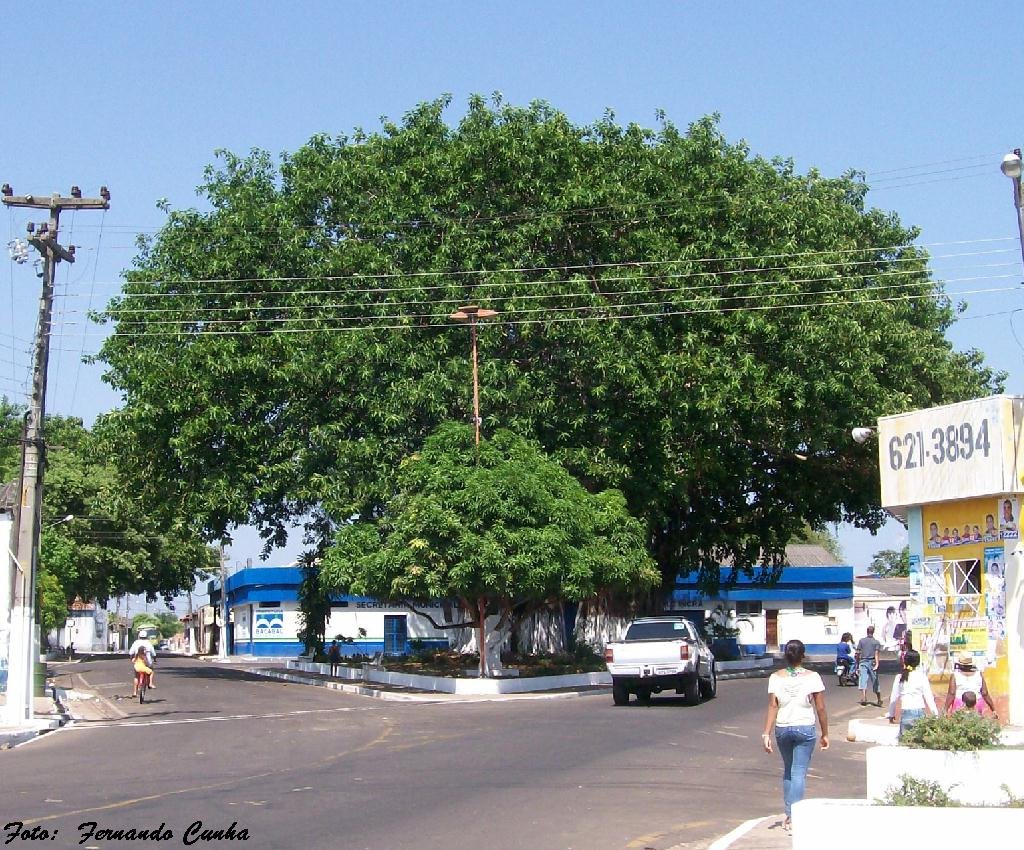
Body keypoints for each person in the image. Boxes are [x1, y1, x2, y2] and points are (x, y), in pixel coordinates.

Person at [762, 639, 829, 831]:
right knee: (799, 772)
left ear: (786, 656)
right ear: (803, 656)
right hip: (805, 728)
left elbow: (773, 705)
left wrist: (766, 733)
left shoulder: (775, 677)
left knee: (788, 770)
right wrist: (825, 733)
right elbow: (821, 708)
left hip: (782, 728)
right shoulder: (813, 677)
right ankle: (794, 818)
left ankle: (789, 814)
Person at [886, 649, 937, 740]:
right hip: (920, 713)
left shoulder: (899, 677)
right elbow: (929, 698)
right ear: (918, 662)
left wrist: (891, 714)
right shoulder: (922, 677)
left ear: (904, 661)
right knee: (919, 743)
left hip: (906, 713)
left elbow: (893, 699)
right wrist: (936, 715)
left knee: (904, 743)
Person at [944, 652, 997, 718]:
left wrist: (945, 709)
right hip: (976, 702)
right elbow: (985, 693)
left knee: (959, 724)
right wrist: (993, 709)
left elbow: (951, 693)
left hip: (960, 703)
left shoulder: (955, 675)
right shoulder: (978, 674)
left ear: (960, 664)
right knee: (976, 723)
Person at [855, 625, 882, 707]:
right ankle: (879, 699)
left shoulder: (861, 641)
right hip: (872, 662)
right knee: (875, 680)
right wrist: (877, 664)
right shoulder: (876, 642)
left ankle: (864, 697)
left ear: (867, 631)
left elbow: (858, 653)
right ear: (873, 632)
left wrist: (857, 664)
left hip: (863, 661)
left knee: (863, 679)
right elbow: (876, 654)